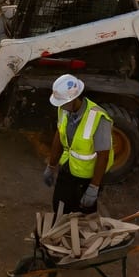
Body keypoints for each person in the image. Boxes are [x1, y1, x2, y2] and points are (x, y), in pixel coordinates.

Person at [43, 75, 114, 214]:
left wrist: (94, 187)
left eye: (62, 102)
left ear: (74, 99)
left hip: (86, 178)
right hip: (68, 167)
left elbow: (103, 156)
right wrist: (51, 166)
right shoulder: (64, 109)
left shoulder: (99, 119)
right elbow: (59, 135)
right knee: (59, 207)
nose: (60, 106)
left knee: (81, 215)